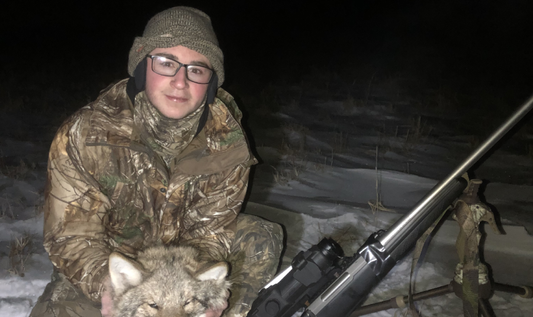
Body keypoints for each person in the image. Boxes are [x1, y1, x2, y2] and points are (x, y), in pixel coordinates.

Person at [29, 6, 283, 317]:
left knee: (259, 239)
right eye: (166, 63)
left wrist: (204, 291)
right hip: (113, 265)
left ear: (210, 82)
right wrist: (109, 287)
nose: (180, 81)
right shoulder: (85, 135)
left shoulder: (227, 142)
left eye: (197, 70)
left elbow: (211, 232)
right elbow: (71, 236)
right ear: (141, 67)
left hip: (186, 272)